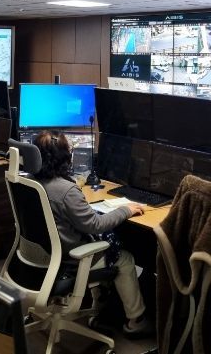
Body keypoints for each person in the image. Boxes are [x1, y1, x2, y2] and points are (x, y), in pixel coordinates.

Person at [32, 130, 151, 335]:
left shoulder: (31, 182)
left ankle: (100, 304)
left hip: (43, 254)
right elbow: (95, 225)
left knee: (101, 243)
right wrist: (126, 210)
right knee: (124, 259)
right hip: (71, 258)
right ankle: (136, 321)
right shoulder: (66, 191)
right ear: (64, 157)